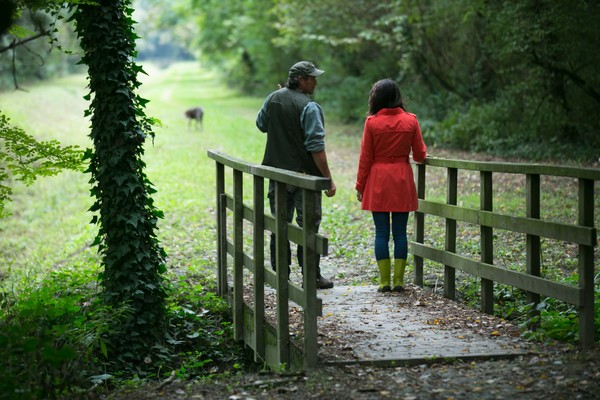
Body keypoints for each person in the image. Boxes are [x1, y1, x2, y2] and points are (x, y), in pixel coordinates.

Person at [256, 60, 336, 289]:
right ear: (301, 80)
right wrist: (328, 179)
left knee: (279, 223)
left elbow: (261, 124)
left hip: (278, 174)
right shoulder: (310, 107)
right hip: (305, 178)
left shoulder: (272, 98)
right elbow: (316, 147)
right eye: (312, 78)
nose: (316, 82)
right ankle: (312, 276)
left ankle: (281, 276)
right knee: (308, 226)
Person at [355, 79, 427, 292]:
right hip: (402, 179)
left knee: (381, 233)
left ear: (376, 98)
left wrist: (360, 185)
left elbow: (365, 158)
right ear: (397, 96)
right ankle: (399, 281)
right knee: (400, 233)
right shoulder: (411, 121)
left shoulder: (372, 122)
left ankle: (384, 281)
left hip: (378, 179)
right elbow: (420, 155)